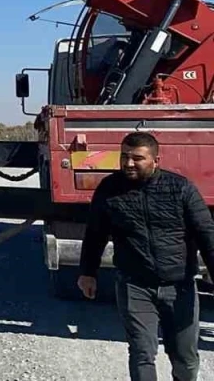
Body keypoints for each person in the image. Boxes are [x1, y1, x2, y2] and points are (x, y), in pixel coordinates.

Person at [78, 131, 214, 381]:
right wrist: (88, 272)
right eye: (124, 157)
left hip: (179, 285)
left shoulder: (180, 189)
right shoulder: (109, 189)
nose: (128, 163)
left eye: (137, 158)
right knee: (142, 352)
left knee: (185, 357)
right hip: (134, 285)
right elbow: (95, 233)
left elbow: (207, 234)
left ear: (155, 160)